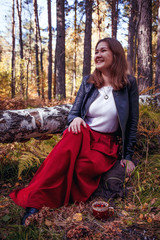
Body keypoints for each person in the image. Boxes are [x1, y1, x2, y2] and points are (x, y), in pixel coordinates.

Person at [9, 37, 139, 225]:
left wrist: (127, 156)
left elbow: (132, 122)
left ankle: (54, 199)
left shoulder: (129, 85)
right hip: (83, 134)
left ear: (116, 54)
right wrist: (75, 118)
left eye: (103, 50)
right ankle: (34, 205)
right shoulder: (88, 81)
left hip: (105, 143)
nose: (97, 55)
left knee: (82, 168)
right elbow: (74, 113)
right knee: (64, 149)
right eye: (96, 51)